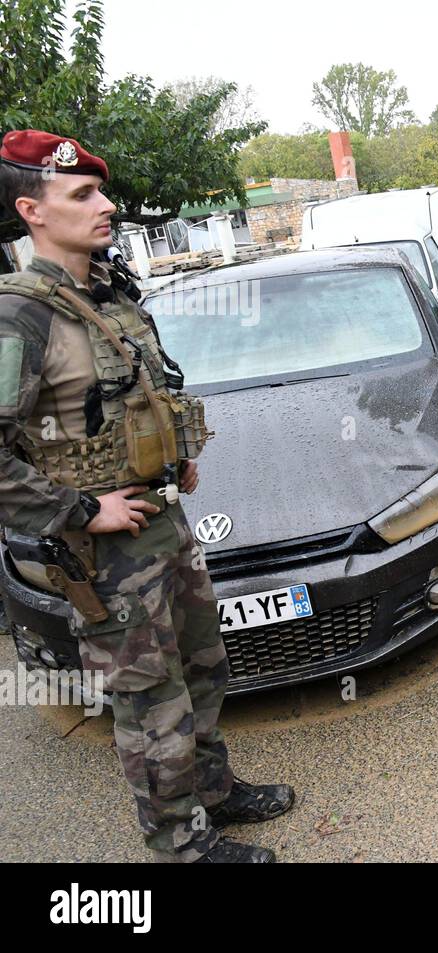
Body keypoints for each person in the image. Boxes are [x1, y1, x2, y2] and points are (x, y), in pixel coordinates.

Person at [0, 129, 294, 861]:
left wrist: (178, 457)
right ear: (33, 211)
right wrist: (81, 510)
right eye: (83, 195)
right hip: (106, 551)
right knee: (148, 696)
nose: (105, 205)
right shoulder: (22, 315)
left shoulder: (110, 291)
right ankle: (180, 843)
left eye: (100, 190)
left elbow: (143, 392)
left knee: (202, 666)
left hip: (164, 521)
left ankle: (215, 791)